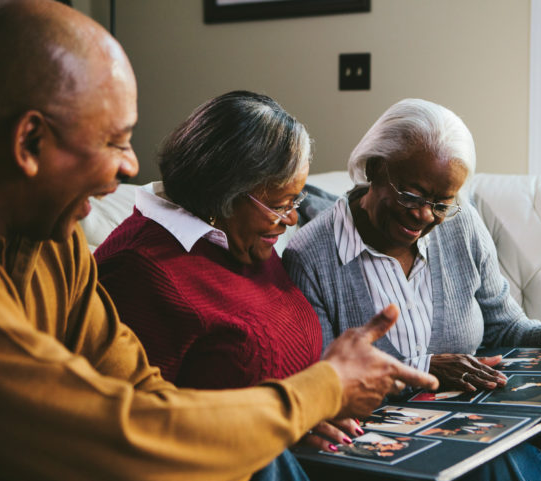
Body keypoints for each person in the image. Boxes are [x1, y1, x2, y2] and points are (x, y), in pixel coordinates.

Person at [0, 2, 437, 481]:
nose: (130, 164)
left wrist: (252, 443)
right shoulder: (127, 264)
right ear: (30, 141)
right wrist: (322, 389)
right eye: (114, 141)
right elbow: (123, 441)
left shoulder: (52, 240)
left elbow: (142, 390)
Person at [283, 98, 541, 481]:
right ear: (376, 168)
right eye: (412, 194)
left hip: (475, 409)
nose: (425, 215)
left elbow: (504, 327)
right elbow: (328, 384)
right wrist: (422, 370)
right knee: (499, 462)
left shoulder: (459, 221)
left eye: (442, 202)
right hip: (399, 434)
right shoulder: (311, 256)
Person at [95, 89, 363, 449]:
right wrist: (282, 424)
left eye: (295, 201)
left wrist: (317, 404)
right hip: (236, 471)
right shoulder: (138, 269)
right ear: (226, 191)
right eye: (281, 203)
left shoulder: (242, 240)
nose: (292, 218)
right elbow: (140, 430)